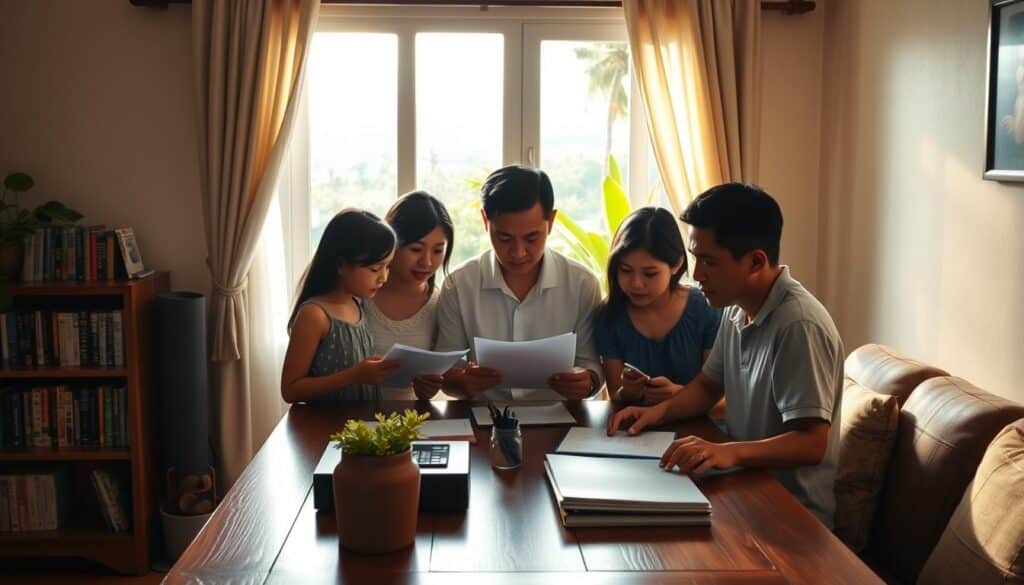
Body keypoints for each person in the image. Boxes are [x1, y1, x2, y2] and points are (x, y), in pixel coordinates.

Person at [607, 183, 844, 528]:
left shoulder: (799, 325)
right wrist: (653, 414)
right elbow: (706, 387)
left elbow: (811, 443)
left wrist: (727, 451)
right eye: (695, 257)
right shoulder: (737, 308)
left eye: (709, 262)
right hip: (743, 487)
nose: (697, 274)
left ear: (755, 262)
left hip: (791, 515)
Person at [435, 164, 603, 401]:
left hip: (563, 422)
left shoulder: (582, 284)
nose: (518, 252)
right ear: (485, 221)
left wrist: (586, 381)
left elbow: (592, 365)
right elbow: (446, 372)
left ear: (551, 221)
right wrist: (462, 381)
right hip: (485, 421)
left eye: (532, 237)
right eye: (504, 237)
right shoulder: (459, 285)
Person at [595, 207, 721, 404]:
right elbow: (615, 397)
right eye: (626, 270)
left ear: (677, 264)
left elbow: (724, 401)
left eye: (650, 273)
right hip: (635, 430)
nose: (636, 283)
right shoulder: (610, 315)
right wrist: (630, 391)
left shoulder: (705, 308)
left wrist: (680, 395)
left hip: (698, 429)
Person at [280, 209, 400, 403]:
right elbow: (290, 390)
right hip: (327, 427)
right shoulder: (314, 315)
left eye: (388, 267)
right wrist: (354, 375)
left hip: (361, 427)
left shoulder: (358, 304)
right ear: (341, 265)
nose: (384, 277)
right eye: (375, 269)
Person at [365, 191, 454, 400]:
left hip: (414, 423)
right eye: (416, 249)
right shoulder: (361, 294)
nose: (427, 262)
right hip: (355, 419)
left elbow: (437, 378)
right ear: (393, 243)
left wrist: (430, 388)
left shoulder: (441, 302)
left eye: (438, 250)